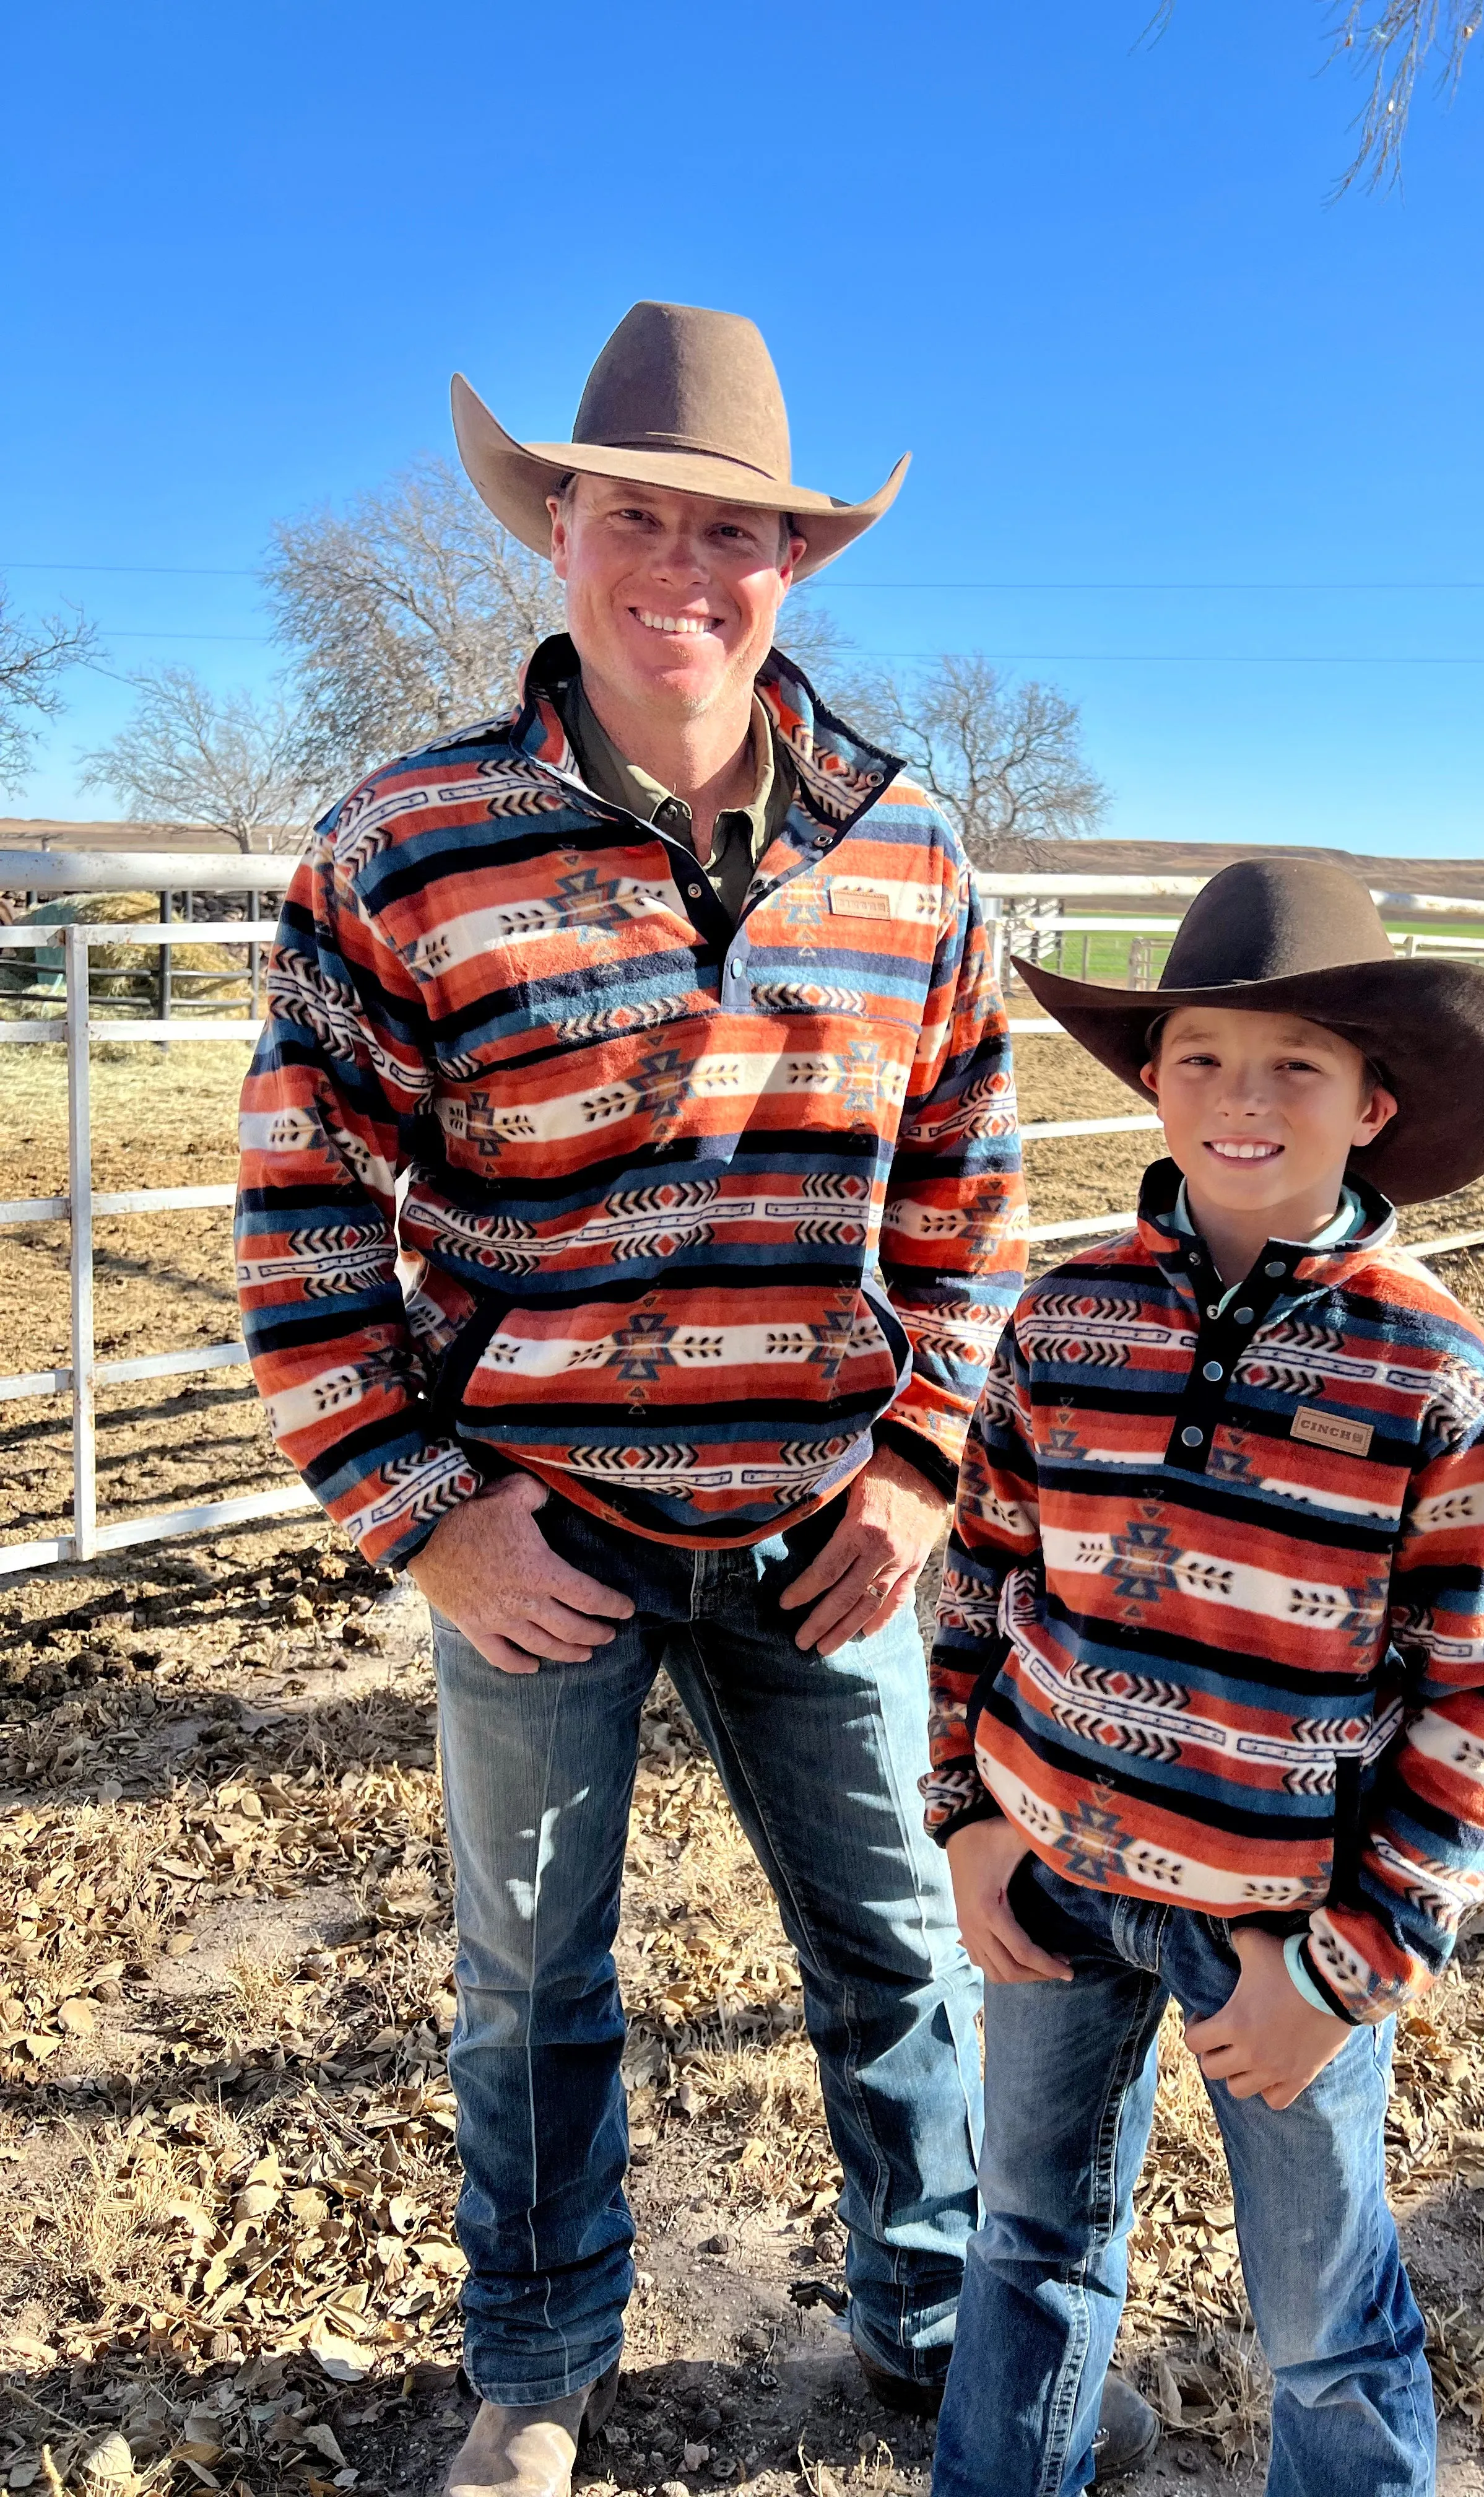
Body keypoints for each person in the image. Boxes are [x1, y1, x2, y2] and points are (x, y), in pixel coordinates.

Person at [238, 300, 1085, 2497]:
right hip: (542, 1532)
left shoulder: (910, 854)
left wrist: (918, 1464)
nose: (681, 575)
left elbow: (970, 1202)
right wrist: (426, 1513)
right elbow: (307, 1219)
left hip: (828, 1519)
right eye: (638, 518)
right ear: (559, 534)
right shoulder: (400, 850)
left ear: (790, 565)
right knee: (531, 1973)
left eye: (732, 535)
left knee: (899, 1942)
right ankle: (535, 2365)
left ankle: (929, 2325)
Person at [922, 858, 1484, 2497]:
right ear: (1153, 1080)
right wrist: (968, 1818)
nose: (1243, 1098)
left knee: (1322, 2319)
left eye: (1297, 1066)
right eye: (1202, 1055)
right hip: (1050, 1874)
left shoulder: (1435, 1380)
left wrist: (1347, 1970)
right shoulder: (1063, 1324)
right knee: (1026, 2249)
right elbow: (983, 1572)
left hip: (1279, 1929)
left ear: (1373, 1104)